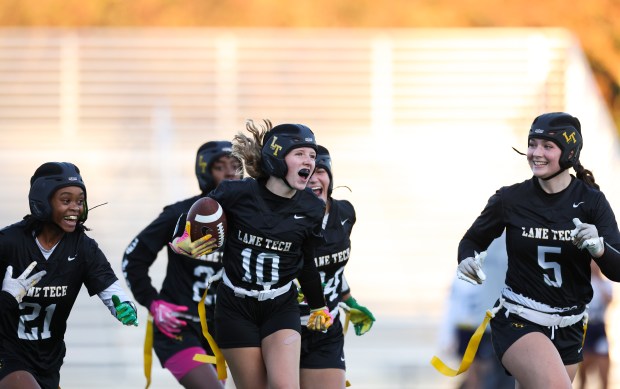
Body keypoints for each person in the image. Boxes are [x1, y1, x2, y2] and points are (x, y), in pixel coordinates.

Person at [455, 112, 620, 388]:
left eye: (547, 146)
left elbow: (618, 270)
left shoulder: (592, 202)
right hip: (520, 319)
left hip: (570, 326)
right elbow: (471, 241)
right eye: (532, 144)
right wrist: (466, 260)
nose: (536, 153)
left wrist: (600, 249)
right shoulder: (510, 198)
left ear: (569, 152)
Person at [169, 119, 334, 389]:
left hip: (280, 303)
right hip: (235, 306)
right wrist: (181, 240)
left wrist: (318, 304)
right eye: (300, 153)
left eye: (312, 155)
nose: (309, 161)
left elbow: (306, 263)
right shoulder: (236, 193)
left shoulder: (311, 209)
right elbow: (196, 213)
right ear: (277, 158)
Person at [0, 162, 138, 389]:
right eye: (66, 200)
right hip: (7, 352)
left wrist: (124, 307)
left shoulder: (84, 248)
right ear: (43, 201)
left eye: (80, 201)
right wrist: (7, 297)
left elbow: (111, 291)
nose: (76, 207)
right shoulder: (8, 243)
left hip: (48, 360)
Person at [122, 141, 242, 388]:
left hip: (227, 328)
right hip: (180, 327)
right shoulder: (180, 213)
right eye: (220, 167)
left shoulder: (252, 219)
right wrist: (153, 303)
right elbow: (133, 258)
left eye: (236, 165)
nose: (230, 173)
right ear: (204, 173)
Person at [298, 145, 375, 389]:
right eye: (305, 174)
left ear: (330, 176)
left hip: (326, 327)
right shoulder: (283, 217)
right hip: (283, 327)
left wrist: (349, 300)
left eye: (319, 170)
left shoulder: (345, 213)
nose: (313, 179)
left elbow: (333, 268)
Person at [577, 261, 613, 389]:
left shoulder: (605, 283)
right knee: (583, 373)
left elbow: (609, 300)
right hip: (586, 328)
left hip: (599, 327)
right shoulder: (583, 283)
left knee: (604, 369)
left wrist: (598, 279)